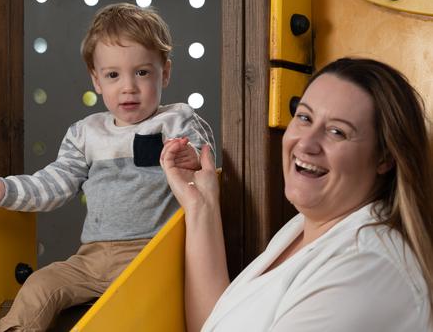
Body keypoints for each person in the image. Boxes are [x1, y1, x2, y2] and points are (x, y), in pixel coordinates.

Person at [0, 2, 214, 331]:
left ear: (164, 71)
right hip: (91, 259)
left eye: (142, 72)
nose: (128, 87)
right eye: (112, 75)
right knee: (41, 285)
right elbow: (53, 184)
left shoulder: (176, 120)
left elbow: (207, 168)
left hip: (153, 256)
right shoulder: (85, 133)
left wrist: (191, 160)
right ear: (96, 80)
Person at [161, 57, 433, 331]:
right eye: (304, 117)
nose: (307, 143)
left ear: (384, 158)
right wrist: (201, 205)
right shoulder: (306, 227)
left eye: (337, 132)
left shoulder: (366, 268)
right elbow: (217, 324)